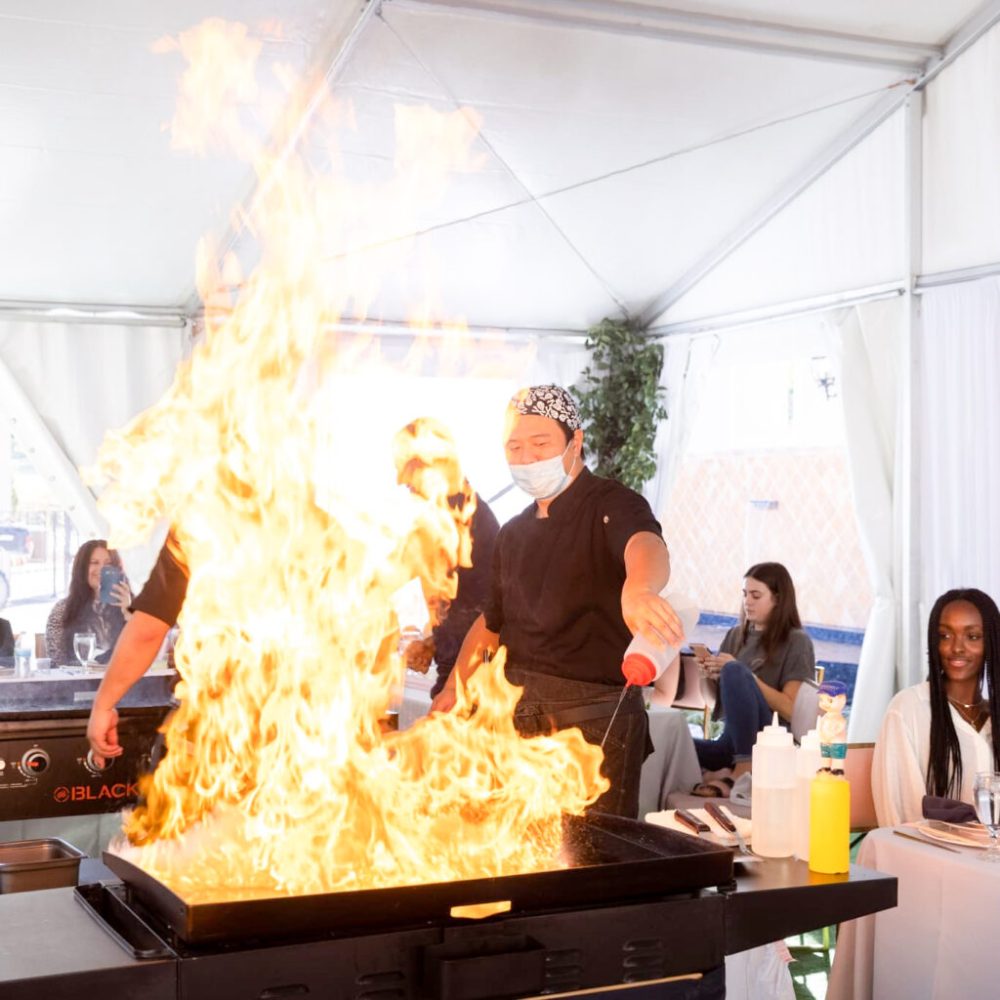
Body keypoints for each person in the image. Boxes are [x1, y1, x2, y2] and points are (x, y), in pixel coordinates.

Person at [431, 384, 683, 818]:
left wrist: (639, 588)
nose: (527, 458)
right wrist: (455, 685)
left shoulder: (610, 504)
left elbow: (645, 545)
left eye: (540, 443)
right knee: (515, 850)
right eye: (515, 447)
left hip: (593, 726)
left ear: (575, 441)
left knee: (589, 859)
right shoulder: (512, 533)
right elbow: (492, 623)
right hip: (516, 718)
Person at [872, 587, 1000, 826]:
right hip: (932, 856)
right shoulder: (907, 710)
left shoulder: (994, 716)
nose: (957, 648)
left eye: (972, 637)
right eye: (945, 636)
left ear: (991, 642)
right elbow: (901, 816)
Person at [392, 417, 499, 699]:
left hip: (473, 674)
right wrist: (431, 643)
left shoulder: (460, 520)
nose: (400, 480)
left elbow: (488, 616)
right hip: (458, 665)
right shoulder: (452, 513)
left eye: (408, 468)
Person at [692, 562, 815, 785]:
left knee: (735, 669)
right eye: (745, 594)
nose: (747, 601)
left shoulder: (797, 641)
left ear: (778, 599)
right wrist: (706, 675)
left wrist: (745, 676)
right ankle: (730, 769)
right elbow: (714, 703)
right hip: (731, 743)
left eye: (756, 595)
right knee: (668, 746)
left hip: (770, 743)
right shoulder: (735, 635)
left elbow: (789, 709)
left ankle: (744, 769)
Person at [87, 532, 188, 767]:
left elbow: (149, 629)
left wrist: (103, 706)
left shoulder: (199, 528)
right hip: (285, 722)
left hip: (215, 721)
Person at [45, 539, 132, 666]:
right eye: (94, 563)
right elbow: (57, 661)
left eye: (108, 563)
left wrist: (129, 613)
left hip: (124, 680)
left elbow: (144, 651)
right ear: (82, 568)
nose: (101, 569)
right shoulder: (63, 609)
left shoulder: (132, 605)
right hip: (79, 682)